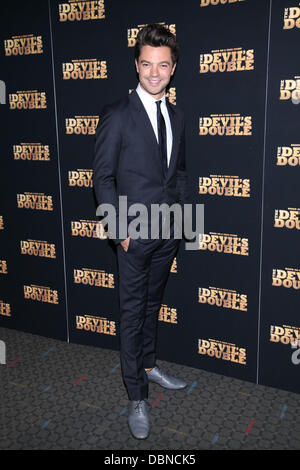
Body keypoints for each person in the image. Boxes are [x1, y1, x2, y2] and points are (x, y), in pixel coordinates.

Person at [93, 23, 189, 440]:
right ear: (136, 65)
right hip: (133, 234)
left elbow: (178, 174)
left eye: (162, 65)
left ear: (172, 69)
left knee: (152, 305)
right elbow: (102, 177)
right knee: (132, 314)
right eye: (147, 64)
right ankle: (136, 394)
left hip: (168, 232)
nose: (154, 73)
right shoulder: (118, 114)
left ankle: (148, 366)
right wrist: (119, 230)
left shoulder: (178, 114)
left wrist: (181, 224)